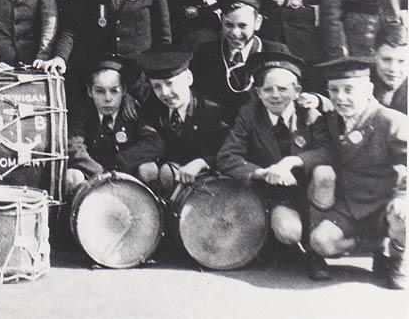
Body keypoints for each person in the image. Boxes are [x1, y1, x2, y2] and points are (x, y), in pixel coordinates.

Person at [282, 57, 408, 288]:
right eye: (334, 90)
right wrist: (296, 160)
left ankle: (400, 260)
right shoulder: (331, 121)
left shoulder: (392, 121)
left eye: (349, 90)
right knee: (320, 242)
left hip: (384, 203)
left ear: (368, 90)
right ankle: (375, 246)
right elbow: (326, 152)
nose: (340, 98)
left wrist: (403, 196)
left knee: (404, 214)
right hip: (350, 206)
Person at [216, 50, 328, 272]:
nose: (275, 95)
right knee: (288, 231)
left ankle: (316, 254)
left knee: (324, 175)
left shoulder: (310, 114)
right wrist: (261, 173)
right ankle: (285, 242)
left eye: (283, 89)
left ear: (297, 91)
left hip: (311, 193)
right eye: (268, 89)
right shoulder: (249, 114)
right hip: (276, 194)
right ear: (258, 93)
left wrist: (293, 162)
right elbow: (227, 156)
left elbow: (327, 151)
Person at [64, 55, 163, 197]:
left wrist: (121, 162)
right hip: (93, 176)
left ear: (124, 90)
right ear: (89, 91)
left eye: (114, 90)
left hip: (127, 174)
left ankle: (152, 212)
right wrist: (100, 172)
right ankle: (70, 217)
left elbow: (154, 142)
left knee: (149, 168)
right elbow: (73, 145)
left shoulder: (133, 110)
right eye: (99, 91)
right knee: (71, 176)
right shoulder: (82, 112)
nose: (108, 98)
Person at [137, 49, 229, 196]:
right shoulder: (152, 109)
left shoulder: (210, 111)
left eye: (170, 83)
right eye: (157, 86)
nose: (165, 93)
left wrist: (201, 162)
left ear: (188, 78)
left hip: (203, 188)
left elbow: (228, 151)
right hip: (167, 180)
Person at [372, 21, 409, 113]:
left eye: (401, 61)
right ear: (374, 55)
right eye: (386, 59)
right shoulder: (360, 86)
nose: (393, 68)